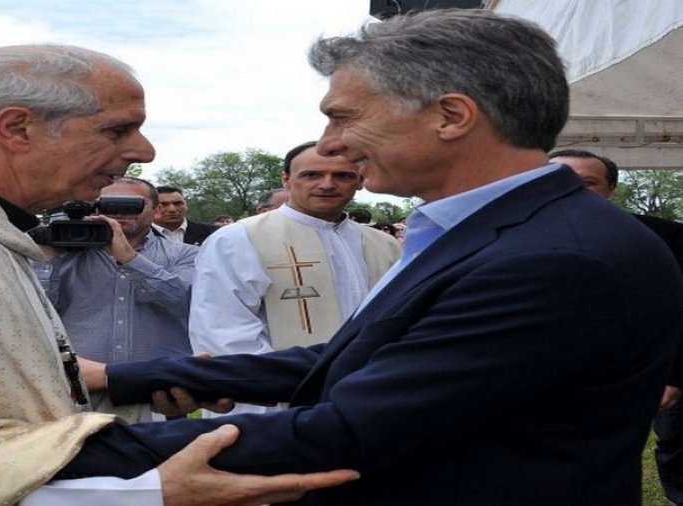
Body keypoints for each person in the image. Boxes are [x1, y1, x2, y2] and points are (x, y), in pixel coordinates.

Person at [48, 10, 683, 505]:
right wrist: (122, 378)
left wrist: (58, 453)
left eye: (343, 117)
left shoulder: (555, 258)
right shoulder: (507, 230)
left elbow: (348, 429)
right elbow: (349, 359)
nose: (332, 146)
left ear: (450, 116)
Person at [0, 44, 355, 506]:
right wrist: (144, 494)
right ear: (17, 128)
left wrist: (133, 384)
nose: (145, 151)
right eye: (117, 130)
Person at [550, 148, 683, 505]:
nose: (571, 190)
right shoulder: (510, 239)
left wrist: (675, 374)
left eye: (587, 183)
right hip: (558, 374)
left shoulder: (665, 236)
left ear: (611, 189)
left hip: (650, 368)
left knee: (673, 441)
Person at [189, 141, 400, 358]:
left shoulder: (384, 244)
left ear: (360, 181)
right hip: (284, 376)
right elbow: (223, 330)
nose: (327, 184)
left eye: (343, 176)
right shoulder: (237, 239)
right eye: (311, 175)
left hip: (379, 371)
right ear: (286, 180)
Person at [36, 177, 198, 423]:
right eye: (108, 204)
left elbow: (186, 302)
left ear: (156, 210)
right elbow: (37, 311)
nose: (118, 213)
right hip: (80, 387)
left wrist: (130, 258)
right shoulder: (68, 254)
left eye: (130, 205)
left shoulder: (186, 254)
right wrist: (47, 258)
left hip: (160, 389)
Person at [151, 186, 219, 245]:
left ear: (186, 205)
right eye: (164, 205)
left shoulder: (214, 234)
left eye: (177, 203)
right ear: (151, 207)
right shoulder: (144, 236)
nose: (172, 209)